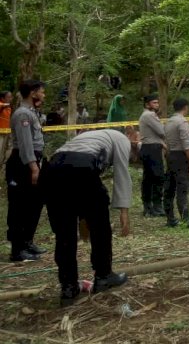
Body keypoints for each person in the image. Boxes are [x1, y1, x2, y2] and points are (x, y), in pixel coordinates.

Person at [41, 128, 137, 306]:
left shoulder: (92, 136)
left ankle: (68, 287)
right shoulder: (123, 140)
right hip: (81, 166)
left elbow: (71, 171)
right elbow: (122, 174)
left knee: (64, 233)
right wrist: (124, 211)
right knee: (100, 225)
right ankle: (104, 276)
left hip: (52, 169)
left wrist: (85, 216)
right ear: (132, 143)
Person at [6, 80, 48, 262]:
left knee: (35, 203)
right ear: (33, 93)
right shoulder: (22, 114)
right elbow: (25, 144)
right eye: (41, 92)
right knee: (19, 206)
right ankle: (17, 249)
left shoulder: (32, 112)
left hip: (35, 160)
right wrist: (33, 167)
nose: (44, 95)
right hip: (22, 164)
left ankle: (27, 242)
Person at [164, 98, 189, 228]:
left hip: (171, 155)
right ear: (185, 107)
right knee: (182, 188)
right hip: (181, 156)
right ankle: (186, 219)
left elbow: (166, 143)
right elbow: (187, 144)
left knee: (169, 187)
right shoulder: (182, 122)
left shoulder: (169, 122)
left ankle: (170, 218)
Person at [138, 94, 166, 218]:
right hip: (151, 149)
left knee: (149, 178)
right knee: (157, 177)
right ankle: (156, 207)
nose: (157, 105)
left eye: (157, 102)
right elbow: (162, 131)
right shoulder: (149, 115)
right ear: (147, 104)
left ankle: (148, 207)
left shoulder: (146, 115)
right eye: (154, 103)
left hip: (149, 148)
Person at [0, 90, 13, 168]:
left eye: (11, 97)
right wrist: (10, 104)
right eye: (9, 97)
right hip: (0, 133)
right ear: (2, 98)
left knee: (8, 151)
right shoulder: (2, 104)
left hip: (7, 133)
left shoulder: (9, 108)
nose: (10, 98)